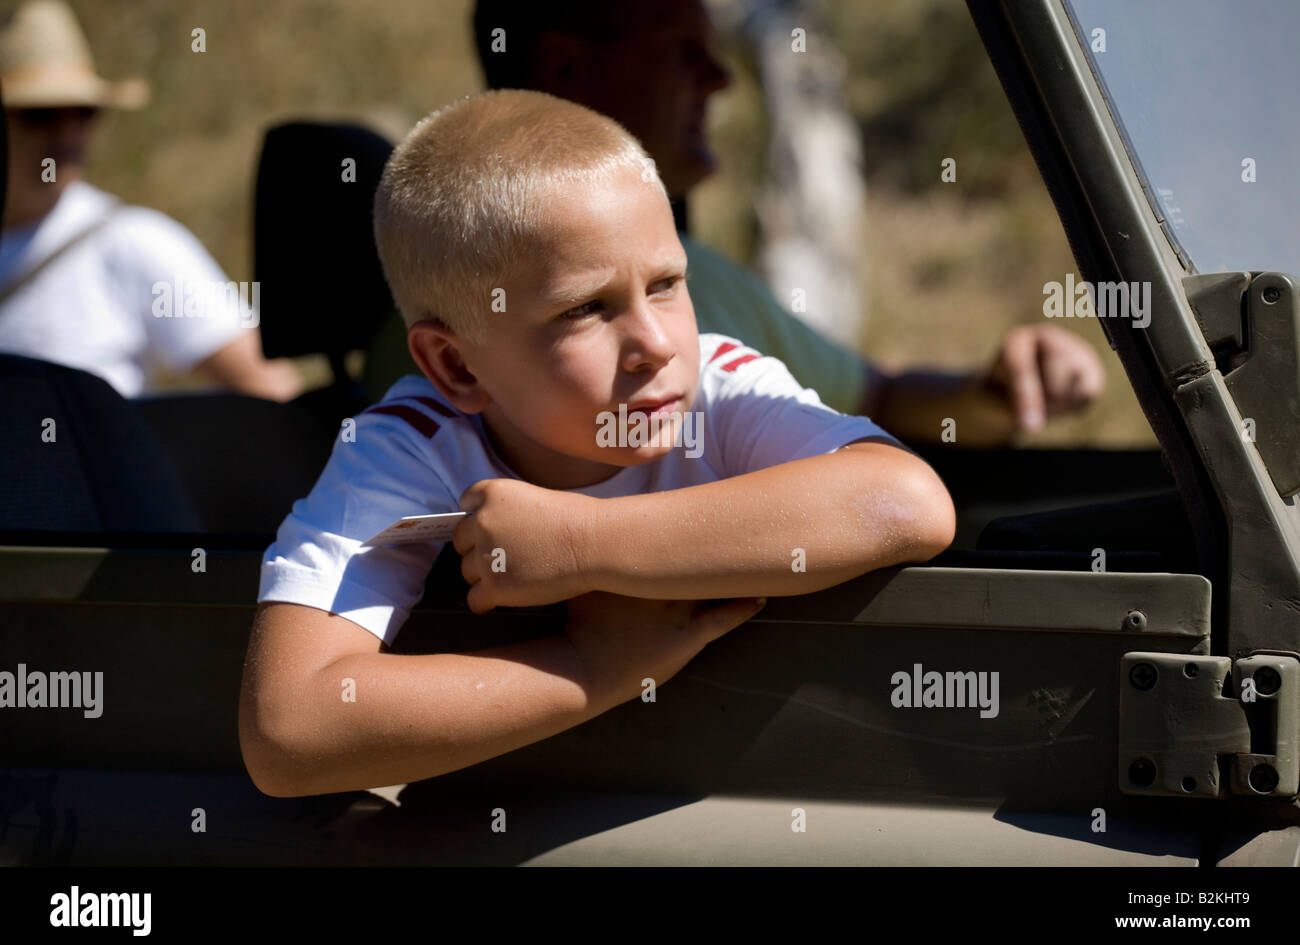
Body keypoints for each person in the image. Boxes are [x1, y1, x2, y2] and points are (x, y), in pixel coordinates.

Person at [240, 90, 956, 797]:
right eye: (586, 308)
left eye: (669, 283)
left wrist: (583, 543)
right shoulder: (412, 444)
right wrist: (594, 668)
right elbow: (288, 732)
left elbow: (908, 503)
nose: (655, 343)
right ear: (457, 365)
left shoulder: (719, 386)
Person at [365, 0, 1105, 446]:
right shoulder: (465, 339)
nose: (718, 79)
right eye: (683, 49)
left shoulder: (702, 278)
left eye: (663, 289)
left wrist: (992, 392)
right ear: (564, 71)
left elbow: (871, 399)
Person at [0, 0, 300, 401]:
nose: (66, 133)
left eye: (84, 113)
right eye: (41, 114)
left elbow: (272, 391)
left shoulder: (134, 241)